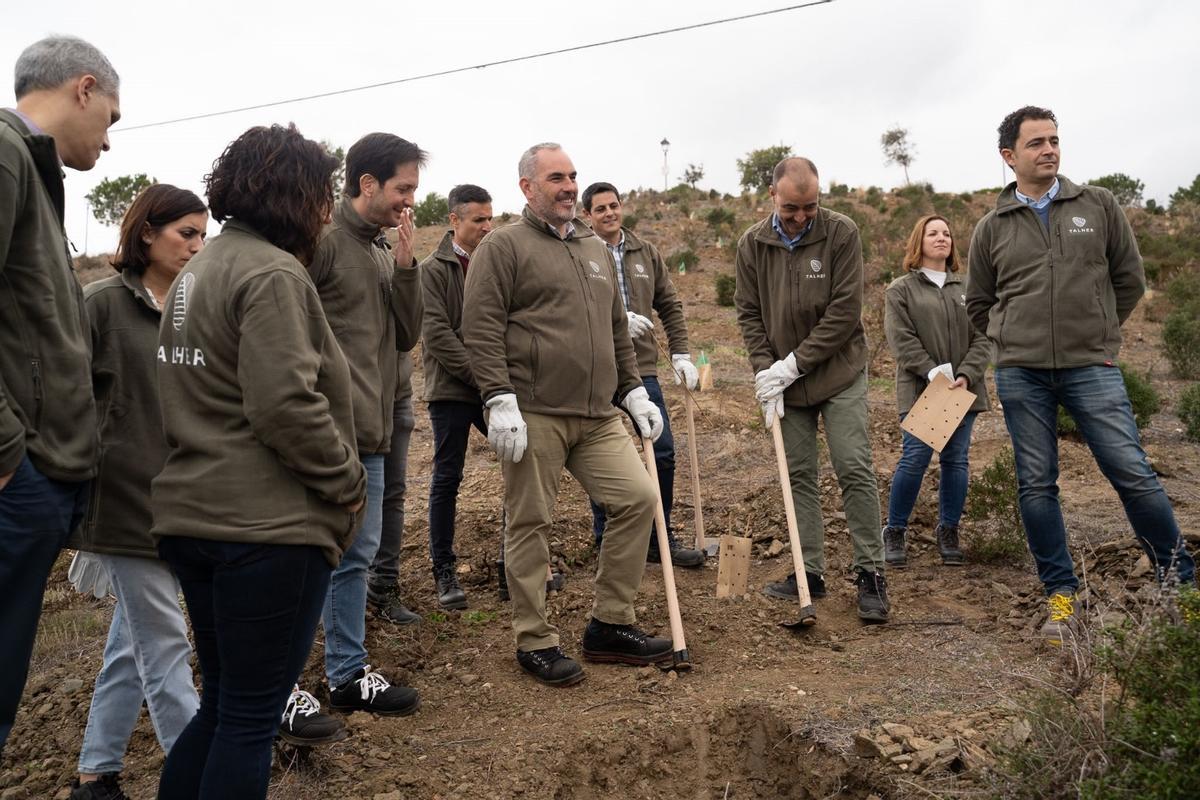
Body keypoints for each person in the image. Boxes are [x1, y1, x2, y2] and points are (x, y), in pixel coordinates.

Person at [152, 123, 366, 799]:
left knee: (223, 707)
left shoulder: (199, 270)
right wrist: (348, 483)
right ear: (296, 195)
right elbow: (284, 407)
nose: (325, 212)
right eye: (320, 195)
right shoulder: (273, 274)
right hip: (265, 529)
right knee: (249, 718)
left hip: (196, 517)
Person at [966, 105, 1196, 643]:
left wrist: (1098, 334)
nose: (1049, 150)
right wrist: (1009, 339)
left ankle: (1180, 586)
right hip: (1022, 373)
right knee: (1037, 486)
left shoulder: (1097, 205)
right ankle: (1062, 601)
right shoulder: (990, 227)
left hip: (1092, 366)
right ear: (1009, 157)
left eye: (1054, 140)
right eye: (1036, 143)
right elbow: (979, 302)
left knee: (1131, 472)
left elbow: (1129, 280)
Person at [463, 143, 673, 686]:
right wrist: (497, 398)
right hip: (534, 412)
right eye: (556, 177)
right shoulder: (503, 247)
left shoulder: (592, 248)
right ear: (528, 187)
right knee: (531, 521)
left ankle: (609, 623)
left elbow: (613, 331)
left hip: (597, 413)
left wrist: (632, 392)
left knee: (638, 499)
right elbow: (480, 328)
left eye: (573, 176)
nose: (569, 187)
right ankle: (534, 639)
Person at [66, 186, 207, 800]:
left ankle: (95, 776)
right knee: (167, 643)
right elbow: (62, 395)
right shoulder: (98, 304)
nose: (197, 247)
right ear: (147, 233)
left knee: (134, 643)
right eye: (186, 234)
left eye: (204, 236)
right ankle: (199, 776)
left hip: (181, 499)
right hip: (121, 502)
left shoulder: (193, 305)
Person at [0, 35, 119, 756]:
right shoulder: (6, 152)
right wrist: (8, 454)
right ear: (81, 88)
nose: (108, 140)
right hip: (17, 474)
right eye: (110, 116)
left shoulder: (32, 168)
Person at [734, 156, 890, 622]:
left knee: (853, 465)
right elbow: (749, 313)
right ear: (772, 197)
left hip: (838, 372)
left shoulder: (841, 233)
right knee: (798, 474)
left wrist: (793, 364)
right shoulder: (752, 244)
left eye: (810, 207)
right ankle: (810, 573)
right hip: (786, 383)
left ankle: (871, 574)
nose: (802, 217)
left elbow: (845, 312)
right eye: (791, 209)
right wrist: (767, 374)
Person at [302, 132, 424, 715]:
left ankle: (346, 674)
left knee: (358, 552)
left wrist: (405, 268)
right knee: (320, 555)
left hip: (373, 431)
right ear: (367, 183)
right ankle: (301, 678)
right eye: (402, 189)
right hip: (328, 432)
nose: (409, 202)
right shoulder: (322, 243)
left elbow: (406, 336)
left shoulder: (383, 249)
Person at [580, 182, 704, 569]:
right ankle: (607, 539)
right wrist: (612, 318)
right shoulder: (578, 252)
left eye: (613, 206)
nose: (608, 213)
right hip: (594, 366)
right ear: (588, 215)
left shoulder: (644, 252)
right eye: (599, 209)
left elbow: (670, 303)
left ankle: (658, 536)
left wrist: (681, 353)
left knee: (662, 449)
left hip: (641, 368)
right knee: (599, 455)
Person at [882, 215, 991, 569]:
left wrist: (966, 374)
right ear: (919, 241)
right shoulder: (901, 289)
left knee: (956, 462)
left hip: (961, 388)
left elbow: (983, 336)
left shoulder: (969, 287)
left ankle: (949, 530)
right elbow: (901, 339)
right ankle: (895, 530)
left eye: (946, 233)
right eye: (933, 233)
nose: (942, 238)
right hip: (921, 389)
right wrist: (931, 370)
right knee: (915, 459)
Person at [420, 184, 495, 609]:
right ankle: (444, 570)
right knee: (448, 478)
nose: (486, 227)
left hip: (492, 389)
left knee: (521, 465)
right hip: (451, 390)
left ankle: (513, 564)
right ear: (454, 221)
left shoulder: (496, 261)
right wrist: (483, 378)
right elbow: (437, 336)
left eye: (490, 219)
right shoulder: (433, 269)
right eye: (477, 220)